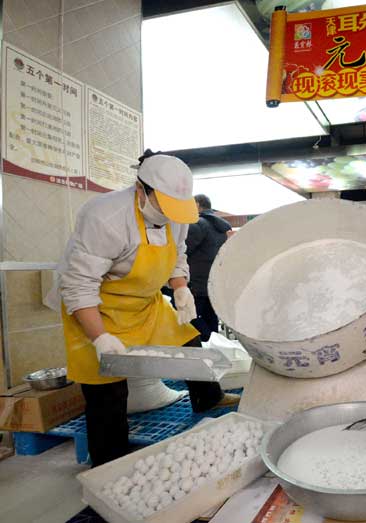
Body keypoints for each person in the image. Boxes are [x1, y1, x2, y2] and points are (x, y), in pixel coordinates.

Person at [56, 150, 239, 467]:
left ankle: (208, 398)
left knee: (187, 339)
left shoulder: (178, 216)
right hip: (98, 306)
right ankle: (110, 462)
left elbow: (177, 255)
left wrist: (181, 289)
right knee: (106, 387)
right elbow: (78, 286)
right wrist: (99, 336)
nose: (168, 216)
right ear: (141, 189)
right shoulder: (104, 217)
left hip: (145, 302)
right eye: (162, 206)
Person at [185, 194, 232, 341]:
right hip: (212, 283)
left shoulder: (199, 224)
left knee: (189, 315)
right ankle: (216, 348)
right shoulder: (221, 228)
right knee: (210, 319)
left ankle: (208, 341)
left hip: (196, 283)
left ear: (197, 205)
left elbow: (183, 250)